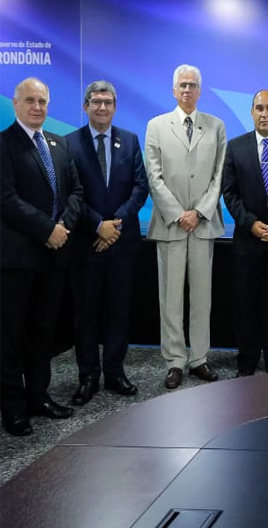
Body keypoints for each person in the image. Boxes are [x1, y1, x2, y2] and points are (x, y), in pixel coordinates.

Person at [0, 77, 84, 436]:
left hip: (54, 257)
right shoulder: (4, 144)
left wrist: (63, 224)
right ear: (16, 104)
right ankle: (13, 408)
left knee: (42, 333)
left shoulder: (59, 144)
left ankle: (38, 395)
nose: (38, 107)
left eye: (43, 101)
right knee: (11, 337)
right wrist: (46, 230)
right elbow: (6, 199)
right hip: (17, 260)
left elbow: (77, 191)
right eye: (31, 101)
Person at [64, 81, 149, 405]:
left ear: (115, 107)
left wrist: (115, 225)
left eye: (108, 102)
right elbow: (70, 192)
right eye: (96, 102)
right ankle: (88, 377)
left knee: (118, 311)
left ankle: (114, 372)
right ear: (86, 106)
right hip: (86, 243)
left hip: (122, 244)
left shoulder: (129, 141)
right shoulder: (69, 143)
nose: (102, 108)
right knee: (86, 313)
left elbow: (140, 187)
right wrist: (98, 225)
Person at [145, 64, 226, 389]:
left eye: (193, 85)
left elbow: (220, 174)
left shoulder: (216, 126)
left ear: (200, 90)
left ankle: (199, 359)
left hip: (203, 225)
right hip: (171, 225)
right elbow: (154, 175)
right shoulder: (156, 126)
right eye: (183, 85)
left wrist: (200, 211)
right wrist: (180, 213)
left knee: (202, 298)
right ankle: (175, 361)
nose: (188, 90)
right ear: (174, 90)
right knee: (171, 298)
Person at [222, 90, 268, 376]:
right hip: (247, 242)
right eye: (259, 108)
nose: (264, 113)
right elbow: (229, 193)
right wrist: (250, 223)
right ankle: (247, 362)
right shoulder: (235, 147)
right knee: (246, 305)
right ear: (251, 112)